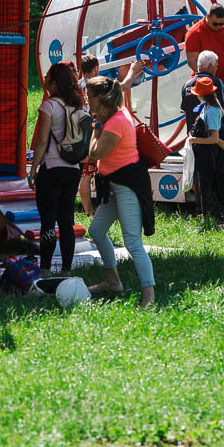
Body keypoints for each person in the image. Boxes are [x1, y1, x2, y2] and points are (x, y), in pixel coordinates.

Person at [85, 76, 156, 308]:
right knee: (96, 231)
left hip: (128, 186)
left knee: (132, 242)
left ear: (100, 99)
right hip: (114, 185)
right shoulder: (115, 111)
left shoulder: (114, 122)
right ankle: (113, 282)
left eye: (89, 95)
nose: (87, 99)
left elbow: (94, 153)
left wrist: (95, 127)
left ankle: (149, 296)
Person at [27, 61, 85, 272]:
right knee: (67, 221)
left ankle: (45, 268)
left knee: (48, 221)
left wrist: (33, 170)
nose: (45, 84)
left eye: (47, 80)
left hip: (51, 168)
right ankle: (67, 268)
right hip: (73, 169)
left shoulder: (49, 106)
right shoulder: (80, 106)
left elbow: (41, 141)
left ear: (54, 82)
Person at [181, 50, 224, 219]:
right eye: (217, 64)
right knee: (223, 178)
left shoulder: (186, 85)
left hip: (195, 142)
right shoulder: (217, 83)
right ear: (211, 65)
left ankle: (203, 213)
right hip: (214, 140)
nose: (218, 67)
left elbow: (185, 111)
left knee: (201, 180)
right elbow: (219, 112)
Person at [187, 75, 224, 226]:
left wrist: (194, 140)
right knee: (204, 187)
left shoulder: (212, 110)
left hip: (210, 155)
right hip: (204, 154)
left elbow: (213, 138)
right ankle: (206, 217)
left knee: (210, 188)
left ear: (200, 94)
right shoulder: (207, 107)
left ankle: (220, 220)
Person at [185, 4, 224, 88]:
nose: (219, 27)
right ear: (208, 16)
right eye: (215, 24)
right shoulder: (194, 32)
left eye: (222, 23)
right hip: (203, 84)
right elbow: (192, 61)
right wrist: (209, 79)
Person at [76, 55, 101, 216]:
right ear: (95, 69)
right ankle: (98, 211)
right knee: (97, 173)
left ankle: (88, 212)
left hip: (78, 132)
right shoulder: (96, 85)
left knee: (84, 175)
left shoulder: (76, 85)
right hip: (93, 131)